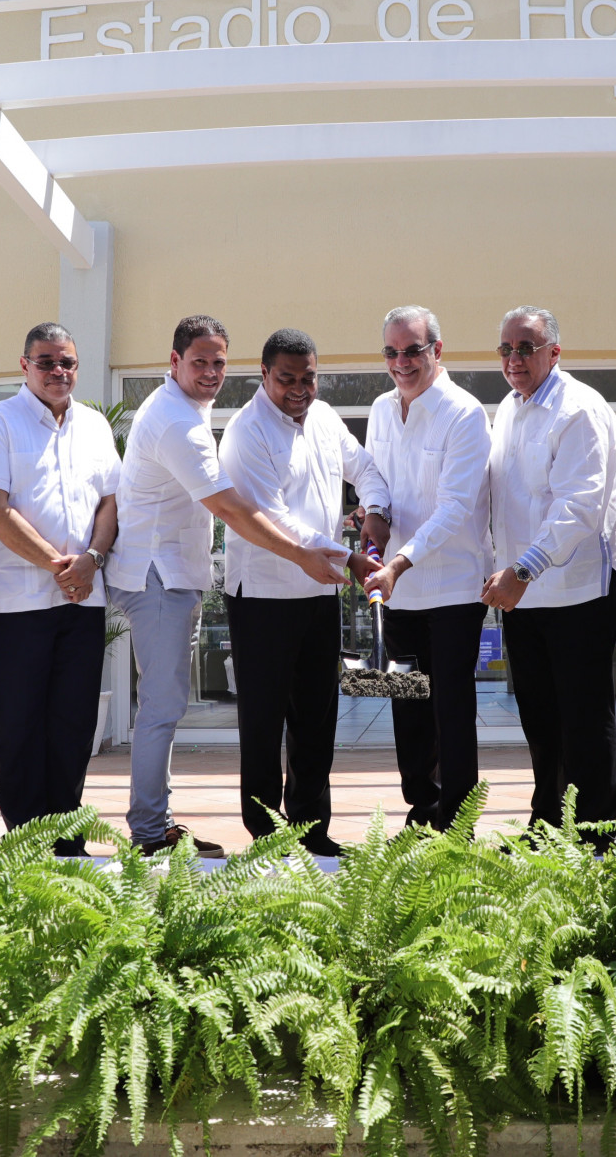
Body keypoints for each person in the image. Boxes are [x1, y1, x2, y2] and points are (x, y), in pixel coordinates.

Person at [105, 315, 345, 857]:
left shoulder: (189, 407)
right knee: (162, 708)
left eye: (218, 362)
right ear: (174, 361)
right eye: (200, 362)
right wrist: (304, 555)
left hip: (176, 576)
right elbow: (232, 509)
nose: (211, 372)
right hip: (157, 576)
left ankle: (158, 824)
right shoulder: (179, 422)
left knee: (166, 706)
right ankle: (149, 834)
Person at [220, 328, 389, 856]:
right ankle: (267, 835)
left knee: (316, 718)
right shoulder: (246, 432)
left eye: (308, 378)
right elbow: (273, 517)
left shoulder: (325, 417)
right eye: (286, 379)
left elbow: (364, 467)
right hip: (263, 597)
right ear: (264, 375)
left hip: (320, 595)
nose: (299, 390)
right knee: (264, 722)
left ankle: (312, 829)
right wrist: (349, 557)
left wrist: (375, 508)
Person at [483, 306, 616, 842]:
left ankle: (595, 837)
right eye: (506, 349)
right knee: (540, 717)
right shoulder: (510, 408)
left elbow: (578, 508)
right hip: (525, 591)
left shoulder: (579, 409)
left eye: (526, 347)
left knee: (583, 718)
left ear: (554, 352)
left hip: (581, 588)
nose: (514, 358)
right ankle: (548, 828)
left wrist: (521, 570)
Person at [0, 323, 121, 851]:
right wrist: (62, 567)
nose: (59, 371)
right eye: (47, 362)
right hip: (17, 604)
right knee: (22, 725)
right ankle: (27, 843)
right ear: (25, 365)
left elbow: (110, 502)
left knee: (74, 723)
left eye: (67, 362)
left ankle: (67, 840)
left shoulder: (94, 426)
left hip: (84, 601)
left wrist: (92, 559)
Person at [362, 306, 495, 831]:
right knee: (407, 705)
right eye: (392, 352)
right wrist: (375, 511)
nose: (402, 362)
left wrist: (397, 563)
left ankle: (456, 825)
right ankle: (421, 813)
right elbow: (375, 476)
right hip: (399, 593)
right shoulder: (380, 408)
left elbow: (455, 507)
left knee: (450, 710)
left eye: (413, 351)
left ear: (437, 351)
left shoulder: (464, 413)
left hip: (453, 591)